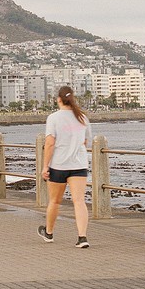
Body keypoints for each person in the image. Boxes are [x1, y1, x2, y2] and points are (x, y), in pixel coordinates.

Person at [39, 85, 93, 248]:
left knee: (55, 201)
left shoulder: (54, 118)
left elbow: (49, 143)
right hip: (78, 165)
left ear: (59, 99)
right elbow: (85, 141)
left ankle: (49, 233)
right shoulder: (82, 117)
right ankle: (82, 237)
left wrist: (45, 166)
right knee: (79, 201)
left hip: (59, 165)